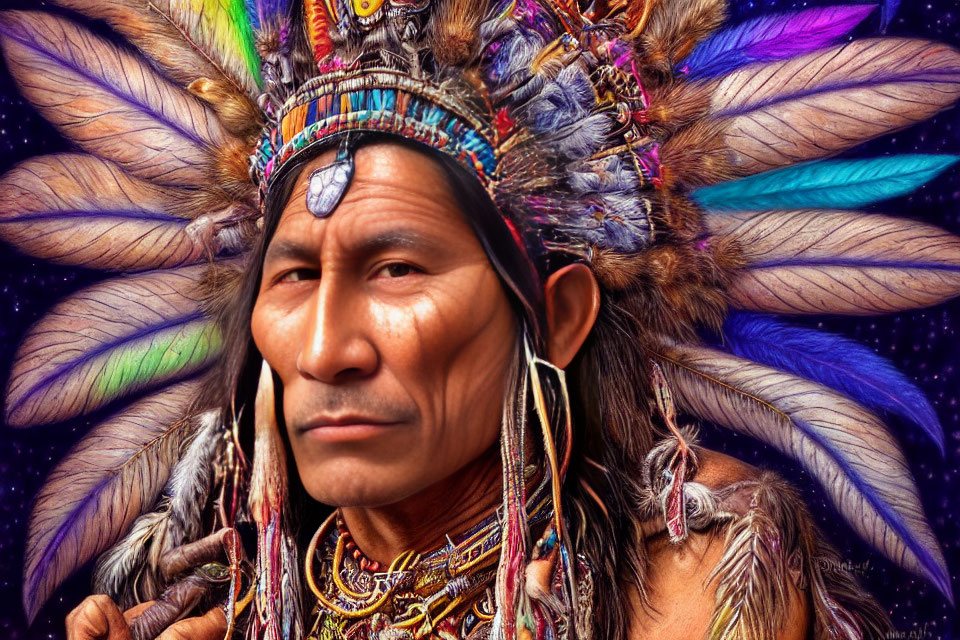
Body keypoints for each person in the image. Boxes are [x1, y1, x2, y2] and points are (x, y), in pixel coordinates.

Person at [1, 0, 957, 638]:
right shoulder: (239, 600)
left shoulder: (700, 558)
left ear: (558, 316)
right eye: (293, 276)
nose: (327, 349)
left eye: (398, 268)